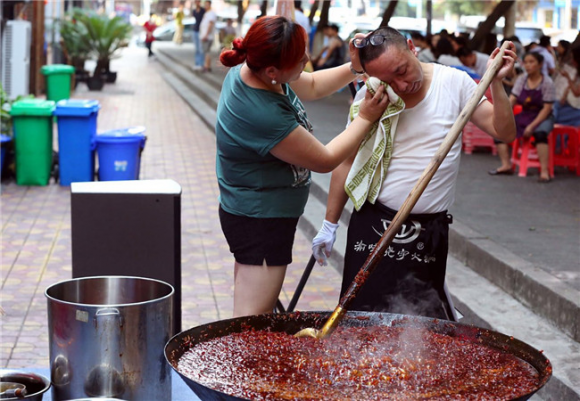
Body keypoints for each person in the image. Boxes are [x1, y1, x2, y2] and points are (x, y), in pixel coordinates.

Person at [312, 27, 517, 320]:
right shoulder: (372, 97)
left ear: (411, 47)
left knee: (424, 329)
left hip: (428, 231)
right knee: (360, 324)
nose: (401, 84)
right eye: (388, 80)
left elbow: (504, 132)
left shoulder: (454, 83)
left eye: (402, 70)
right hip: (373, 225)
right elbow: (347, 161)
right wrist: (329, 225)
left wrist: (496, 84)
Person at [217, 16, 389, 317]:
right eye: (300, 59)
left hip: (260, 213)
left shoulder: (258, 70)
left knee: (256, 315)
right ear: (273, 71)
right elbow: (324, 160)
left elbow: (310, 84)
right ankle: (249, 365)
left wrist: (354, 68)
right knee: (251, 321)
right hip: (260, 220)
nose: (307, 61)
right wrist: (365, 118)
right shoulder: (261, 113)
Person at [489, 52, 555, 182]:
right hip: (525, 114)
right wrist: (502, 117)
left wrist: (531, 126)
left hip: (542, 116)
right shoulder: (521, 80)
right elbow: (511, 101)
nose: (528, 65)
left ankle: (544, 172)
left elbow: (547, 109)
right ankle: (506, 165)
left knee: (540, 133)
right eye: (526, 62)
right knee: (499, 130)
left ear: (540, 64)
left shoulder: (547, 82)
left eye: (532, 62)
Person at [554, 46, 580, 127]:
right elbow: (571, 85)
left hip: (576, 107)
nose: (571, 60)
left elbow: (577, 92)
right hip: (569, 103)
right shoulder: (577, 71)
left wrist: (567, 76)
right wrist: (564, 96)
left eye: (573, 58)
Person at [199, 0, 217, 72]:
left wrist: (206, 35)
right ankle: (207, 66)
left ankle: (207, 66)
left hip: (207, 37)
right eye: (205, 5)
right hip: (205, 36)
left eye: (207, 4)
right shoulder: (207, 13)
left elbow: (210, 24)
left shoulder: (211, 13)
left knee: (207, 52)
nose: (205, 6)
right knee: (206, 51)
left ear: (209, 4)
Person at [191, 0, 206, 70]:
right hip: (195, 30)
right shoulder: (194, 11)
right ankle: (197, 63)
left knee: (201, 49)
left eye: (198, 1)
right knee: (196, 49)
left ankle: (201, 64)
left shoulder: (203, 10)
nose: (197, 3)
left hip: (201, 31)